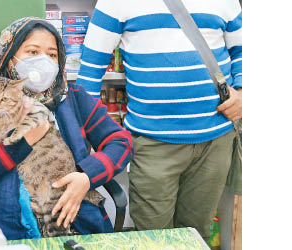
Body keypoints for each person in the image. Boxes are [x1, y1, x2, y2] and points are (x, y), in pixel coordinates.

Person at [0, 17, 133, 240]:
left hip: (68, 219)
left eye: (52, 54)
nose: (44, 61)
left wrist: (86, 176)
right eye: (33, 52)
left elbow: (120, 142)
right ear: (9, 57)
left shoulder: (71, 97)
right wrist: (22, 143)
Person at [76, 0, 242, 242]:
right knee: (153, 238)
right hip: (152, 145)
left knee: (197, 235)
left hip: (216, 140)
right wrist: (93, 139)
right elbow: (89, 72)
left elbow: (243, 50)